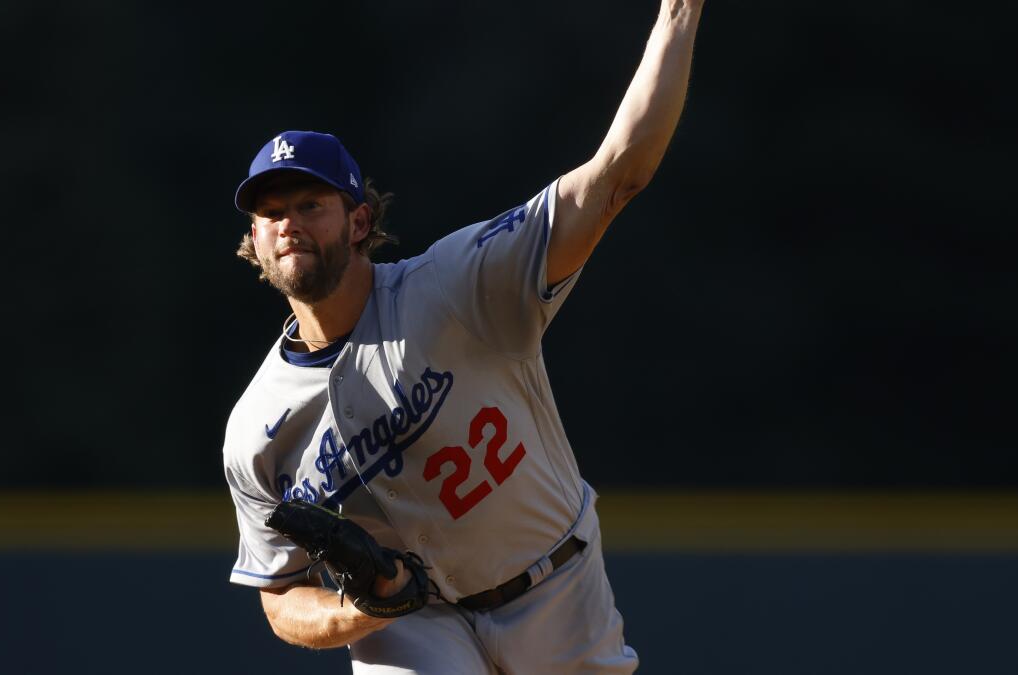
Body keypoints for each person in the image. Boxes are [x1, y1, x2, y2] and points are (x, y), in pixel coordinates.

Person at [222, 1, 704, 671]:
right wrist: (363, 607)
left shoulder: (455, 285)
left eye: (311, 205)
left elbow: (615, 174)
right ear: (254, 239)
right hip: (413, 622)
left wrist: (679, 13)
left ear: (360, 221)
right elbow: (280, 596)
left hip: (554, 583)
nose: (288, 224)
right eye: (271, 213)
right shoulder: (256, 428)